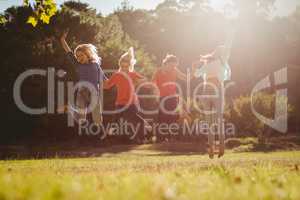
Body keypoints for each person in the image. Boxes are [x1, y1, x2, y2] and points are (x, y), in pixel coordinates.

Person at [60, 29, 106, 125]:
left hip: (94, 92)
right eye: (77, 56)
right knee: (81, 119)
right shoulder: (78, 65)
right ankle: (70, 109)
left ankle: (99, 130)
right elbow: (69, 52)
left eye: (81, 55)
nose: (79, 58)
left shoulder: (95, 65)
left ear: (88, 54)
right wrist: (62, 40)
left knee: (98, 120)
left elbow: (104, 78)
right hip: (82, 92)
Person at [103, 47, 148, 142]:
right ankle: (108, 137)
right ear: (120, 66)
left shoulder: (133, 74)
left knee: (136, 119)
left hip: (131, 102)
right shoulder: (117, 75)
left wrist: (137, 82)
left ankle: (142, 137)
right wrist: (99, 82)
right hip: (120, 102)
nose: (124, 69)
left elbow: (145, 80)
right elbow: (106, 86)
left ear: (129, 66)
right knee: (116, 121)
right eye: (122, 67)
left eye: (126, 67)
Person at [152, 54, 187, 141]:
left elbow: (185, 78)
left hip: (172, 97)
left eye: (175, 66)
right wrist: (155, 92)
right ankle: (161, 138)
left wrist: (194, 72)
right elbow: (152, 83)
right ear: (166, 63)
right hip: (162, 97)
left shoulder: (175, 70)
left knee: (173, 117)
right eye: (172, 65)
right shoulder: (158, 71)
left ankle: (172, 137)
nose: (173, 67)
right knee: (163, 118)